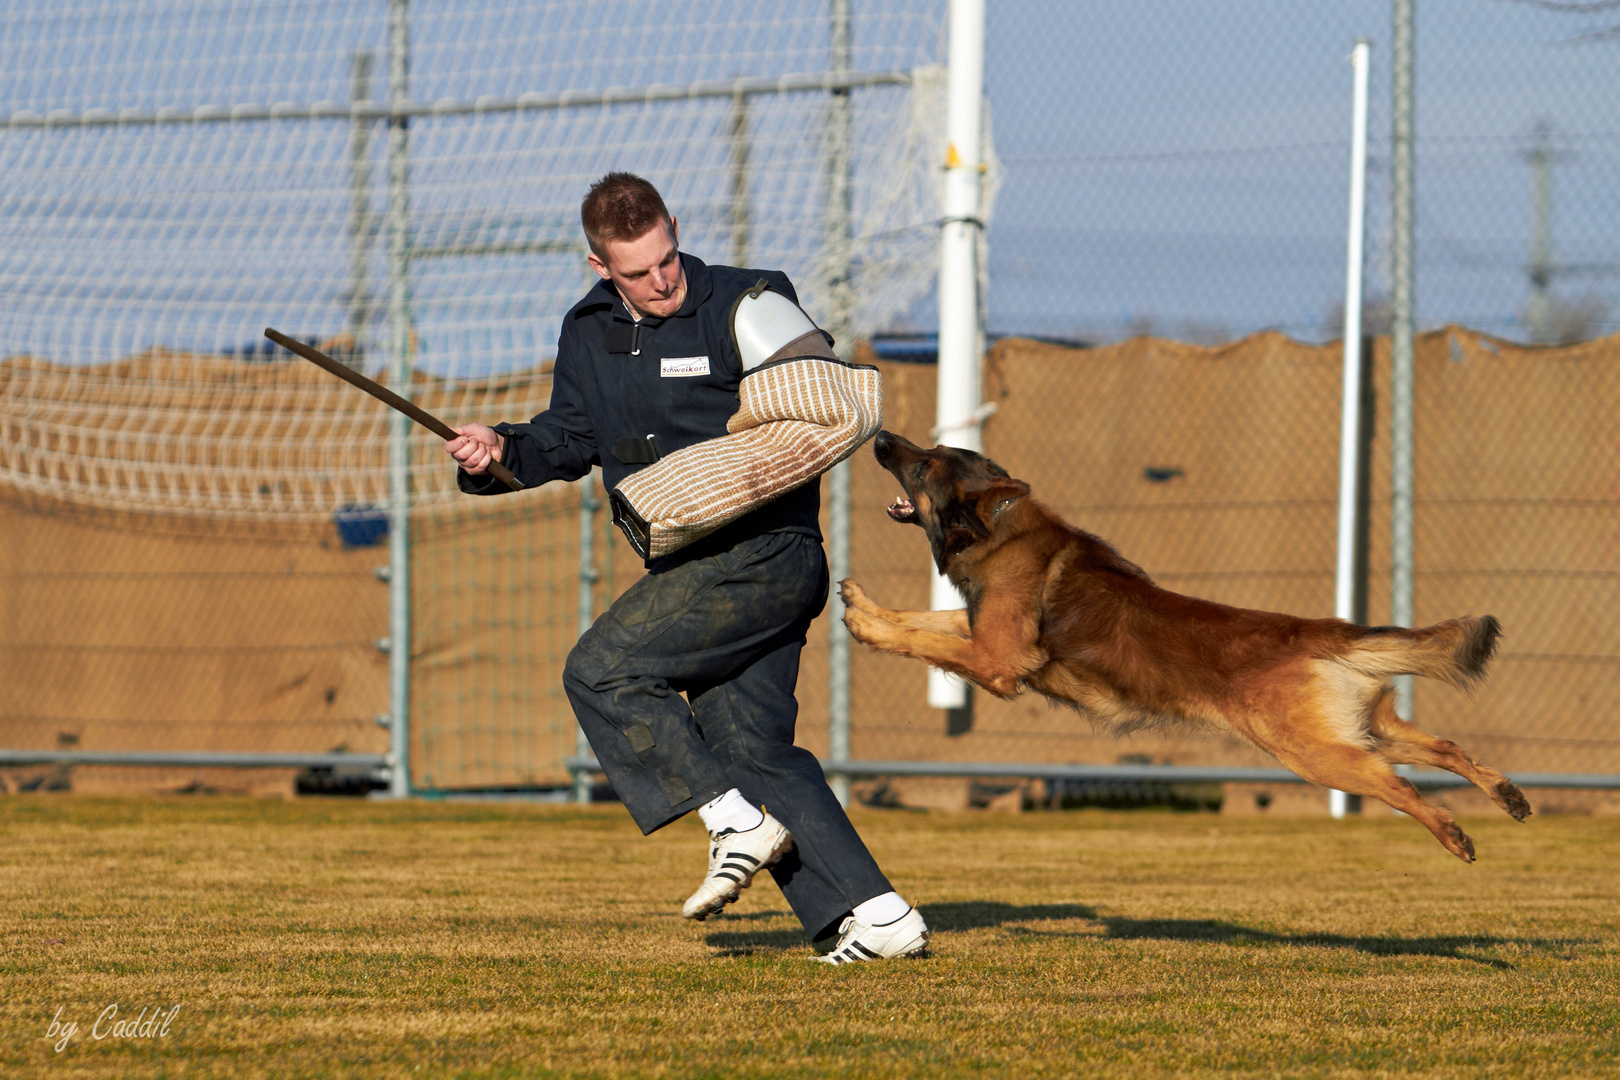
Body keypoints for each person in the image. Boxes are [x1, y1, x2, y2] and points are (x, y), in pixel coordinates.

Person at [446, 172, 928, 964]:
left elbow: (828, 410)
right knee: (752, 750)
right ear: (601, 268)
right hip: (695, 569)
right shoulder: (586, 332)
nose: (662, 279)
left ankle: (731, 822)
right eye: (638, 271)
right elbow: (565, 441)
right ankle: (877, 916)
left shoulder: (749, 300)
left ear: (674, 227)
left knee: (600, 671)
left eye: (667, 257)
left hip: (767, 554)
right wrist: (497, 450)